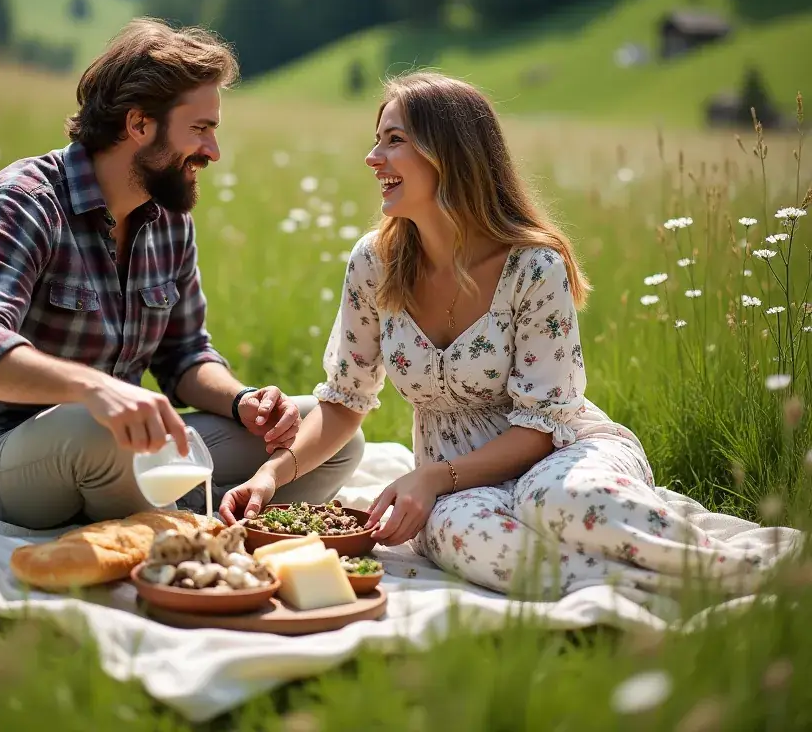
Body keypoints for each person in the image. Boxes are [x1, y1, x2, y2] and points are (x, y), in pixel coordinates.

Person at [220, 72, 797, 598]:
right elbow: (344, 402)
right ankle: (656, 587)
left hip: (562, 453)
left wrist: (429, 477)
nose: (373, 157)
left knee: (564, 502)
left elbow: (544, 425)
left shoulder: (532, 266)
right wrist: (271, 476)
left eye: (393, 140)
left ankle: (739, 570)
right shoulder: (375, 263)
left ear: (449, 154)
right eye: (378, 140)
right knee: (455, 530)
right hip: (453, 489)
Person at [0, 18, 363, 529]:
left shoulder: (169, 219)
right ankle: (172, 530)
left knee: (330, 439)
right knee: (97, 429)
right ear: (139, 125)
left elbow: (185, 356)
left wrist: (241, 402)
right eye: (200, 129)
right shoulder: (22, 204)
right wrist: (95, 389)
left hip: (119, 449)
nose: (213, 152)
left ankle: (162, 519)